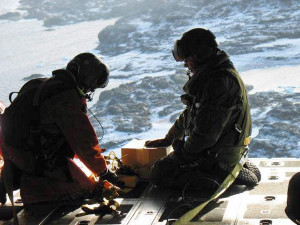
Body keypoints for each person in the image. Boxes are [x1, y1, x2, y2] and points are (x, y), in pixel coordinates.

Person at [145, 28, 261, 190]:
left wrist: (181, 156)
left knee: (159, 174)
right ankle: (229, 165)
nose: (186, 64)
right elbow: (192, 114)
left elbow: (205, 135)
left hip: (216, 154)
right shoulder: (215, 75)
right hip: (222, 148)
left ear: (197, 57)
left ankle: (221, 174)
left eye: (187, 59)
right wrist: (169, 139)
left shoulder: (218, 82)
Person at [0, 53, 118, 206]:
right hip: (32, 157)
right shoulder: (67, 99)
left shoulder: (39, 83)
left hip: (12, 150)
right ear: (87, 81)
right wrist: (104, 172)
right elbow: (85, 144)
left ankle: (19, 175)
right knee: (83, 187)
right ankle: (31, 187)